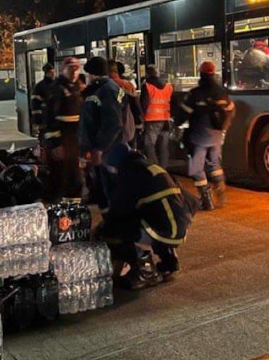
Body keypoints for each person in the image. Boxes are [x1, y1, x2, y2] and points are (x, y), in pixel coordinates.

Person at [95, 144, 197, 289]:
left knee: (117, 229)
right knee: (152, 215)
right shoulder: (150, 167)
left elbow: (121, 209)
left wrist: (102, 229)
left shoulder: (130, 172)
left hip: (164, 229)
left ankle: (145, 271)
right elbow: (192, 201)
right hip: (179, 227)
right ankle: (169, 261)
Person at [174, 61, 235, 210]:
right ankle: (221, 193)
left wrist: (177, 123)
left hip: (198, 137)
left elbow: (183, 114)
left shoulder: (195, 93)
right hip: (216, 136)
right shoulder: (222, 92)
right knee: (215, 165)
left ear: (201, 74)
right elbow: (231, 111)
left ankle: (207, 200)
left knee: (196, 168)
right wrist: (222, 128)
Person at [79, 56, 125, 212]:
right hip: (102, 149)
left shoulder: (107, 90)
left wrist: (99, 148)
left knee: (110, 189)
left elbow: (113, 123)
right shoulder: (99, 89)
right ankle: (109, 219)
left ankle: (114, 220)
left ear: (92, 73)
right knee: (101, 189)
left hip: (108, 150)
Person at [42, 57, 84, 201]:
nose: (74, 71)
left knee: (74, 176)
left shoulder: (77, 87)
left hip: (74, 139)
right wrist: (56, 144)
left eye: (76, 68)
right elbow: (49, 119)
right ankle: (59, 207)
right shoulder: (56, 89)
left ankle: (73, 206)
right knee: (62, 176)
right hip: (63, 139)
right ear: (63, 69)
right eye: (71, 68)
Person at [140, 64, 173, 166]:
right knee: (163, 147)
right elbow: (173, 103)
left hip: (152, 121)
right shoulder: (168, 87)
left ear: (147, 74)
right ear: (157, 74)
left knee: (149, 145)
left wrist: (141, 118)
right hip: (166, 120)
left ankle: (155, 169)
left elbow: (144, 104)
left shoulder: (147, 86)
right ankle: (163, 170)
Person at [110, 60, 143, 147]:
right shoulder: (128, 85)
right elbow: (136, 104)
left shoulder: (106, 86)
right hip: (131, 123)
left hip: (115, 126)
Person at [30, 63, 55, 137]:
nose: (53, 74)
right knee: (44, 138)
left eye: (53, 72)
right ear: (47, 73)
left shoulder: (55, 84)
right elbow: (35, 105)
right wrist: (38, 121)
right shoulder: (40, 87)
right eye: (51, 72)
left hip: (52, 119)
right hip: (45, 119)